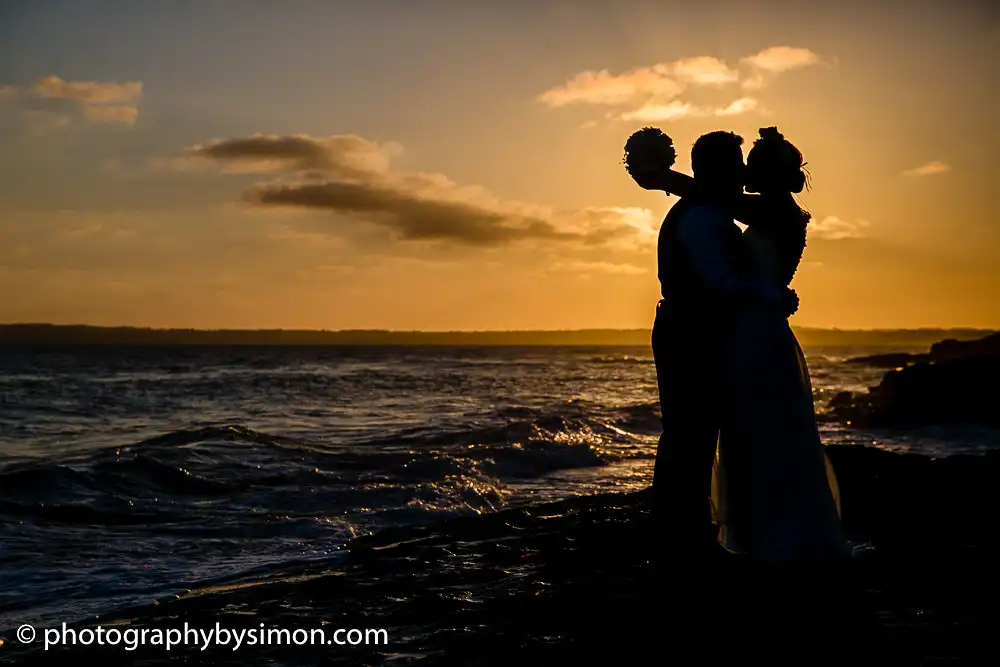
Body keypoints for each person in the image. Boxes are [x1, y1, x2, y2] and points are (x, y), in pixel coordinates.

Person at [641, 128, 850, 566]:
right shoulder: (746, 209)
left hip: (755, 333)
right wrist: (661, 175)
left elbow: (710, 199)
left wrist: (660, 175)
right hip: (744, 330)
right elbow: (710, 196)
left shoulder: (766, 210)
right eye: (739, 165)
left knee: (756, 429)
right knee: (738, 431)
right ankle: (736, 530)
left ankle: (762, 532)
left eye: (751, 166)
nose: (744, 173)